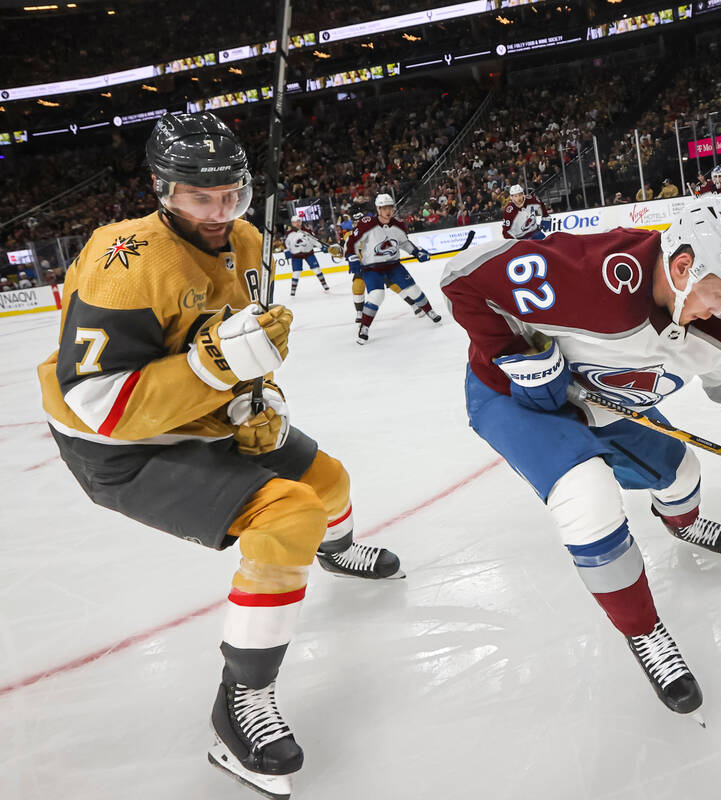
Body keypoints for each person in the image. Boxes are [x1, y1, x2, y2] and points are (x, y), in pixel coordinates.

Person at [34, 111, 403, 799]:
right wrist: (215, 370)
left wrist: (256, 402)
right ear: (161, 189)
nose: (218, 210)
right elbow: (98, 404)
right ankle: (239, 707)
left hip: (200, 412)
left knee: (328, 478)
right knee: (288, 512)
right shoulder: (124, 259)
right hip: (118, 445)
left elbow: (242, 350)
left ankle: (336, 548)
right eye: (199, 197)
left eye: (230, 192)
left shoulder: (247, 238)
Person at [440, 194, 721, 721]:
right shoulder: (587, 274)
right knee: (588, 497)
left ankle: (681, 524)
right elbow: (463, 278)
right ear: (683, 267)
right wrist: (513, 356)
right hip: (517, 397)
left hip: (605, 400)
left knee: (683, 472)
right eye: (720, 296)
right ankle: (645, 631)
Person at [344, 193, 439, 344]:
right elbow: (352, 242)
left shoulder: (398, 225)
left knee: (413, 290)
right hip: (372, 268)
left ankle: (430, 311)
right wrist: (352, 257)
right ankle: (364, 327)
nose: (388, 211)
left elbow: (404, 243)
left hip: (394, 266)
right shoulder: (367, 223)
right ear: (378, 209)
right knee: (377, 295)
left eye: (390, 207)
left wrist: (416, 252)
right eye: (384, 208)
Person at [283, 214, 330, 296]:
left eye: (298, 222)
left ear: (300, 222)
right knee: (296, 273)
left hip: (308, 253)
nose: (296, 224)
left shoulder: (307, 231)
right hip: (296, 256)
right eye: (294, 222)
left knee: (317, 269)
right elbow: (287, 244)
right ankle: (293, 292)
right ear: (292, 223)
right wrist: (287, 251)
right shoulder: (289, 233)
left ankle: (325, 286)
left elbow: (314, 241)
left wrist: (321, 247)